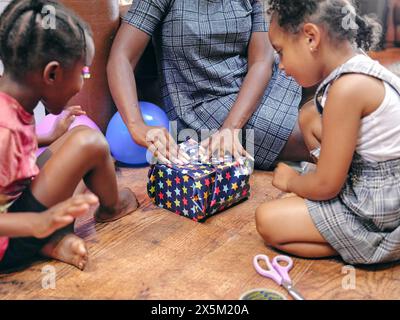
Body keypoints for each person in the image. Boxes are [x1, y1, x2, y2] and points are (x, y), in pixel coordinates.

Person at [256, 0, 400, 265]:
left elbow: (326, 186)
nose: (282, 65)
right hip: (380, 182)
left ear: (311, 37)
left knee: (267, 220)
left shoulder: (348, 89)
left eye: (281, 51)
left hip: (379, 206)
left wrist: (292, 181)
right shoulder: (358, 65)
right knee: (309, 115)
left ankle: (376, 243)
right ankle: (341, 230)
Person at [0, 0, 139, 271]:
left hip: (15, 208)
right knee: (90, 143)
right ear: (52, 73)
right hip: (8, 242)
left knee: (72, 142)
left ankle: (50, 240)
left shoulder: (10, 102)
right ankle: (112, 207)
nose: (82, 83)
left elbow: (15, 151)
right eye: (83, 72)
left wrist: (49, 138)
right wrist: (39, 223)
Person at [107, 0, 313, 169]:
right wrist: (136, 126)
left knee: (324, 107)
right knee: (312, 138)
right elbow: (121, 56)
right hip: (201, 107)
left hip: (255, 86)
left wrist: (232, 127)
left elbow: (261, 61)